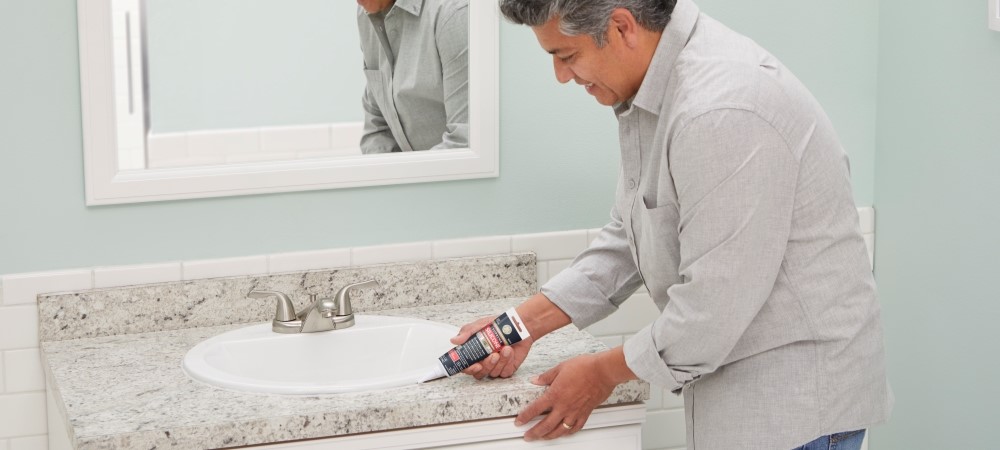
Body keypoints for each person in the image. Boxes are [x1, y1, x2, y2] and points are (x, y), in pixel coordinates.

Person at [449, 0, 893, 448]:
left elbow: (711, 312)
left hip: (796, 410)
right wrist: (516, 327)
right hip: (750, 399)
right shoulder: (654, 92)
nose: (562, 76)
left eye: (566, 56)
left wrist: (601, 373)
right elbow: (629, 238)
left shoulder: (721, 110)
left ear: (622, 27)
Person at [356, 0, 469, 154]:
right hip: (409, 175)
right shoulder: (365, 13)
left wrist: (403, 175)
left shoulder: (453, 14)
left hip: (453, 176)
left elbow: (463, 144)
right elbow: (377, 128)